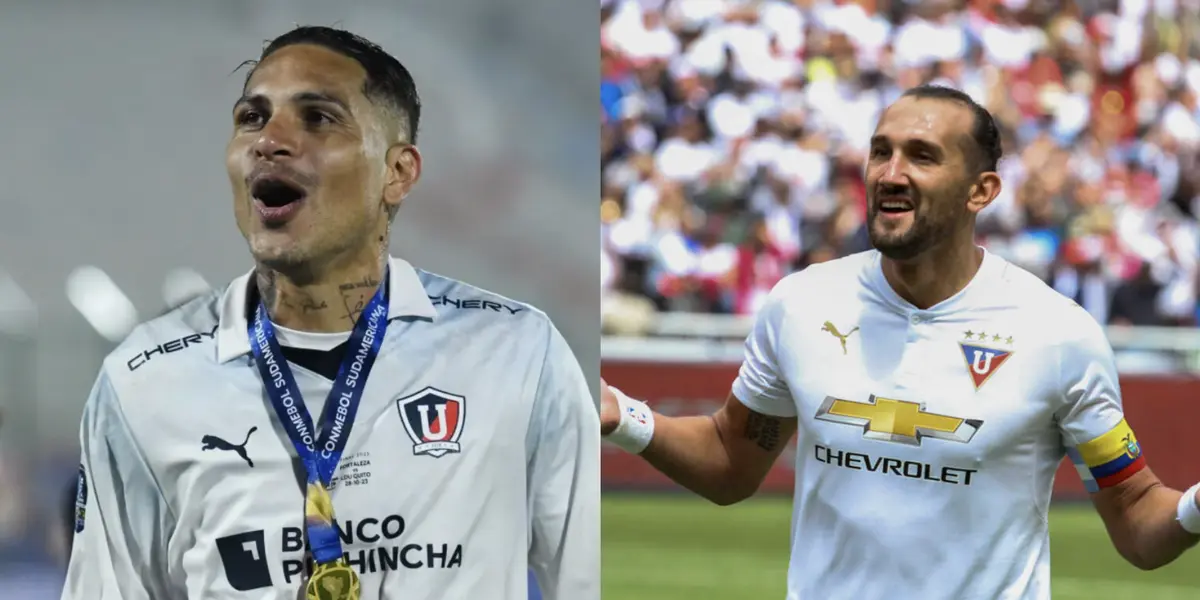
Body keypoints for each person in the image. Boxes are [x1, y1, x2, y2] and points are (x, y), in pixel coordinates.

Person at [62, 26, 599, 600]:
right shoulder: (144, 381)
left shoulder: (514, 353)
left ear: (398, 173)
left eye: (318, 117)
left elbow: (586, 578)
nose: (269, 140)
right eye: (252, 118)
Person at [600, 84, 1200, 599]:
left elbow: (1137, 517)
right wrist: (621, 414)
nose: (890, 173)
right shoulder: (801, 303)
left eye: (922, 156)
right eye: (880, 151)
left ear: (981, 191)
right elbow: (730, 459)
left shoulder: (1059, 334)